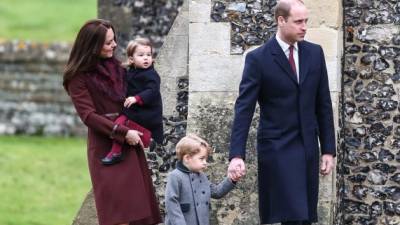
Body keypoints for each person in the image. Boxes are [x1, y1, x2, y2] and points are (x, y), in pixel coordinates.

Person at [227, 0, 336, 224]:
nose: (304, 26)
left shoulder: (315, 53)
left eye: (306, 21)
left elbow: (323, 104)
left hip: (307, 147)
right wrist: (236, 155)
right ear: (281, 20)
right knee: (292, 214)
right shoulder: (258, 59)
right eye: (298, 22)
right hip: (277, 148)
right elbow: (244, 109)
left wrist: (328, 150)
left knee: (304, 216)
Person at [63, 19, 161, 225]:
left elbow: (145, 87)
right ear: (92, 45)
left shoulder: (119, 68)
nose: (115, 45)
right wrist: (122, 132)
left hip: (130, 143)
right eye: (108, 42)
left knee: (139, 214)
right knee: (117, 215)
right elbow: (88, 116)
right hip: (106, 147)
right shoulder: (77, 77)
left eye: (114, 40)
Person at [102, 37, 164, 165]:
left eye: (149, 55)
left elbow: (152, 91)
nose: (146, 58)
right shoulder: (131, 72)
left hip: (147, 111)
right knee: (118, 124)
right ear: (131, 59)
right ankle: (116, 150)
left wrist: (137, 98)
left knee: (122, 125)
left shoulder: (152, 75)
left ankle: (116, 151)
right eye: (141, 55)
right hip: (135, 109)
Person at [165, 134, 238, 225]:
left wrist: (232, 179)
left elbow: (216, 192)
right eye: (201, 159)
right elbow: (171, 203)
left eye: (205, 159)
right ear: (187, 158)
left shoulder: (202, 176)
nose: (205, 163)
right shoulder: (175, 176)